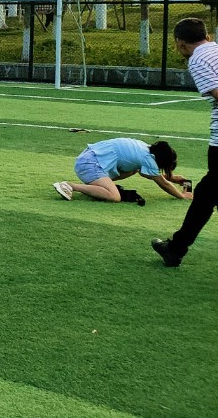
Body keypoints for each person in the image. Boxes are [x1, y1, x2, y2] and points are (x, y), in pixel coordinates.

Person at [153, 18, 218, 267]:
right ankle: (176, 248)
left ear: (180, 42)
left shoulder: (198, 60)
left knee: (206, 194)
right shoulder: (215, 50)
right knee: (206, 194)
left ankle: (176, 249)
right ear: (207, 36)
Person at [52, 138, 191, 202]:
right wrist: (182, 195)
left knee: (133, 170)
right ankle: (70, 186)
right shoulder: (147, 159)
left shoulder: (143, 147)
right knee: (115, 196)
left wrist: (172, 178)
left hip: (86, 159)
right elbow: (163, 183)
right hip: (89, 165)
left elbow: (148, 174)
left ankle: (97, 187)